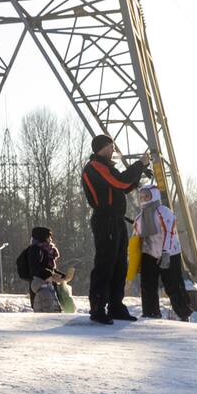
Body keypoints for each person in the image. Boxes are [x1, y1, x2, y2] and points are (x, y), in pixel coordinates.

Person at [81, 134, 150, 324]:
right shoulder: (95, 167)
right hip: (105, 221)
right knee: (105, 263)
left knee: (120, 264)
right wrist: (139, 165)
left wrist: (139, 172)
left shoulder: (107, 168)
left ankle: (115, 306)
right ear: (102, 148)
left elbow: (123, 186)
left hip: (116, 221)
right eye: (111, 147)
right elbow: (119, 182)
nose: (113, 150)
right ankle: (97, 307)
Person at [134, 184, 193, 322]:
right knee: (147, 285)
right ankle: (150, 312)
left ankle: (183, 313)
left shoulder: (164, 212)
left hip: (170, 252)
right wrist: (135, 260)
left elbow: (169, 233)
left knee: (173, 284)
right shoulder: (139, 218)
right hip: (149, 253)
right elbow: (136, 239)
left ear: (154, 196)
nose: (143, 199)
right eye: (141, 196)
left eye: (146, 196)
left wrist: (166, 253)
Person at [24, 227, 66, 313]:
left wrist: (61, 275)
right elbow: (36, 268)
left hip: (49, 286)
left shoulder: (47, 250)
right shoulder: (35, 250)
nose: (50, 239)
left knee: (53, 310)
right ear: (42, 237)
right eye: (48, 237)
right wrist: (51, 275)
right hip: (39, 286)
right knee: (44, 313)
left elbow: (49, 268)